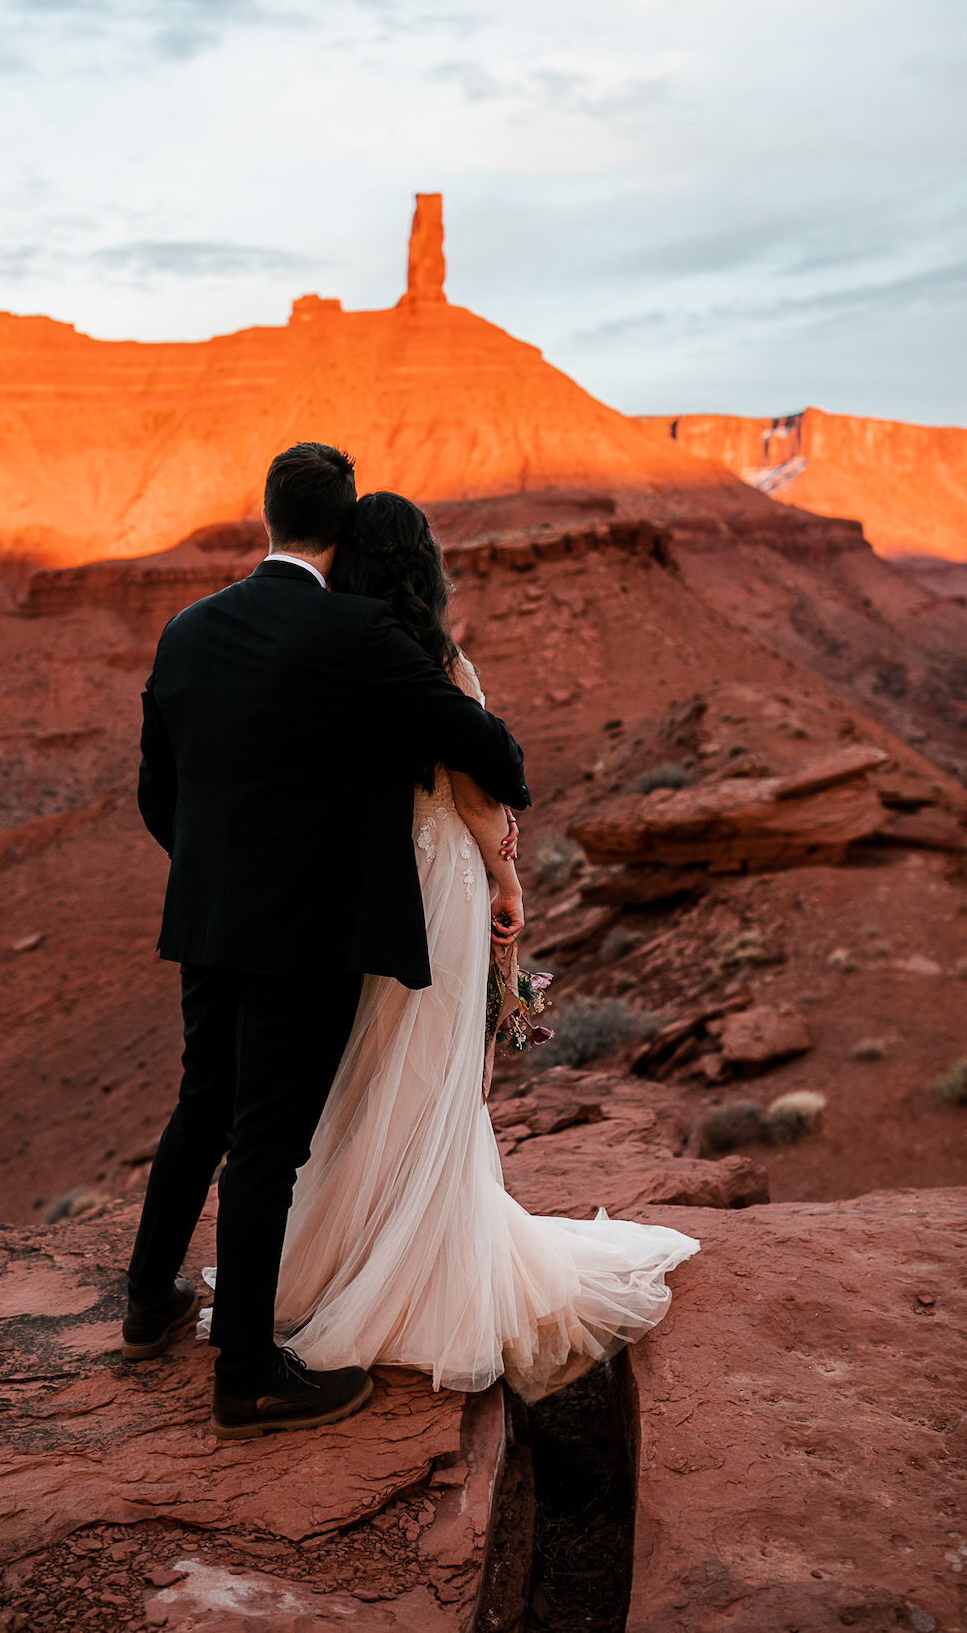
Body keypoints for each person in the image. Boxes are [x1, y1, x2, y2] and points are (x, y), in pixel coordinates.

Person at [121, 443, 532, 1441]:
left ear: (266, 517)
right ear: (344, 530)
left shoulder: (187, 629)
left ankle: (147, 1303)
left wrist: (221, 872)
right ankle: (249, 1375)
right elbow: (489, 756)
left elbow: (157, 795)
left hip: (210, 917)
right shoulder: (354, 631)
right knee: (269, 1141)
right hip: (306, 930)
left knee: (201, 1105)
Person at [270, 491, 698, 1399]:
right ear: (421, 565)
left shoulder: (332, 651)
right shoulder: (436, 661)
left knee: (372, 1065)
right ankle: (425, 1272)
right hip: (438, 881)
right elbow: (476, 794)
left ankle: (341, 1261)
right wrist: (509, 885)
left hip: (357, 888)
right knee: (437, 1071)